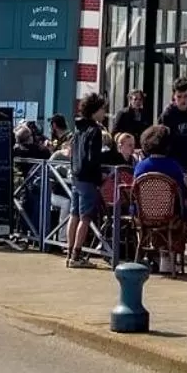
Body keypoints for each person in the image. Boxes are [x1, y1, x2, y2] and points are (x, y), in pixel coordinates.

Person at [67, 93, 111, 267]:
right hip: (88, 178)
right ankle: (77, 255)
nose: (104, 113)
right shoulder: (95, 131)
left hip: (76, 176)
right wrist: (100, 176)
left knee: (74, 214)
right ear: (94, 111)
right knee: (85, 217)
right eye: (102, 109)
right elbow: (93, 157)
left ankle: (69, 252)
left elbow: (74, 153)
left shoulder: (79, 128)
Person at [132, 125, 187, 208]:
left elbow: (134, 192)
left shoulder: (140, 166)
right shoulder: (174, 166)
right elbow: (184, 193)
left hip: (144, 215)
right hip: (171, 216)